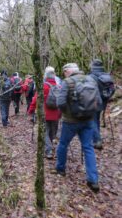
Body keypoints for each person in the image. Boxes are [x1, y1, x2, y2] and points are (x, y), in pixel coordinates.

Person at [56, 63, 100, 193]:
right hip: (88, 120)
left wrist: (68, 112)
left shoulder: (67, 82)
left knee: (63, 144)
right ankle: (93, 179)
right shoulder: (91, 80)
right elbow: (98, 101)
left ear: (68, 71)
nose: (64, 74)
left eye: (64, 71)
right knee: (88, 148)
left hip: (70, 122)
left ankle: (60, 169)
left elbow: (60, 102)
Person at [28, 69, 61, 159]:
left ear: (45, 76)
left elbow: (35, 100)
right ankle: (52, 149)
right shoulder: (59, 87)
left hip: (44, 114)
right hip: (56, 115)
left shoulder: (43, 86)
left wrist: (30, 110)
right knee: (52, 133)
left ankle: (49, 150)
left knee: (44, 132)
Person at [89, 59, 115, 150]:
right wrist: (106, 98)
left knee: (92, 121)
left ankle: (97, 140)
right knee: (96, 120)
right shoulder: (107, 76)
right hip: (103, 103)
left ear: (93, 66)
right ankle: (97, 138)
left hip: (93, 102)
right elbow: (113, 89)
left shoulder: (91, 76)